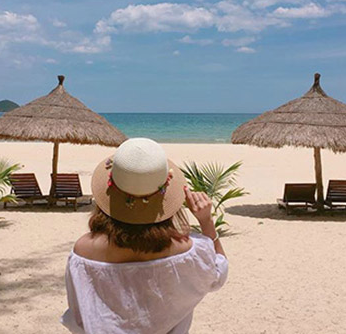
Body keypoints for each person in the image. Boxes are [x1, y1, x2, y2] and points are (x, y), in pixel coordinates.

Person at [61, 138, 228, 334]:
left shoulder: (84, 251)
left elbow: (78, 316)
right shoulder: (188, 250)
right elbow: (218, 275)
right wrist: (206, 222)